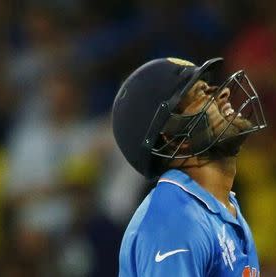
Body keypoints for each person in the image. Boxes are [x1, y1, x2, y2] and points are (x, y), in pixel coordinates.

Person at [112, 57, 267, 276]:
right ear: (174, 138)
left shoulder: (220, 209)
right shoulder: (175, 220)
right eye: (202, 93)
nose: (223, 93)